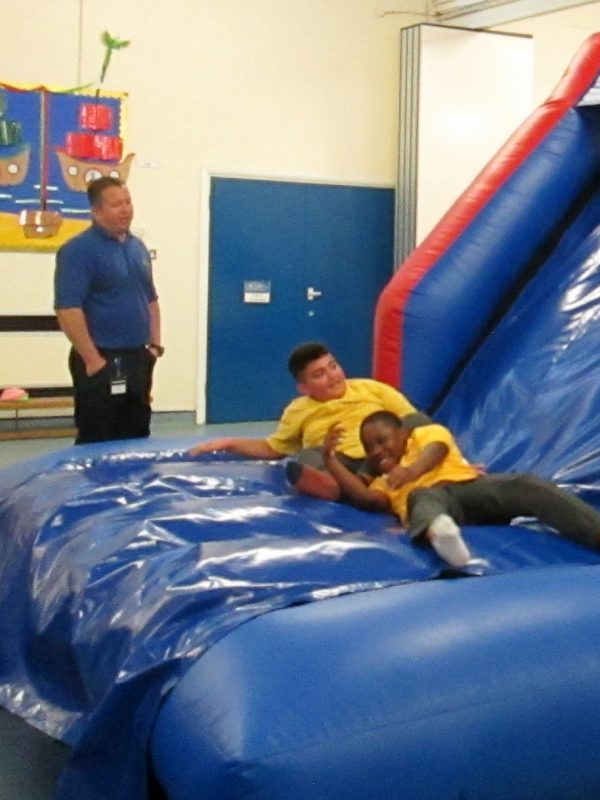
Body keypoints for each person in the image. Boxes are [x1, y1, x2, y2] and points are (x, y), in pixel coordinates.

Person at [322, 410, 600, 567]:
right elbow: (366, 499)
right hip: (437, 502)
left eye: (382, 441)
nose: (377, 451)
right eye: (370, 449)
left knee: (526, 486)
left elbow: (437, 450)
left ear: (403, 433)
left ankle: (595, 532)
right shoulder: (385, 481)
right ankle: (441, 534)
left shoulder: (424, 434)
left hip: (469, 487)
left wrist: (411, 472)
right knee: (422, 498)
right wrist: (331, 460)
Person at [189, 341, 430, 498]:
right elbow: (274, 449)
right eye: (319, 374)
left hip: (382, 452)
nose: (332, 376)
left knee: (418, 421)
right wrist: (230, 443)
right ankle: (336, 487)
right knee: (309, 455)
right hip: (338, 462)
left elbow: (408, 418)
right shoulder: (299, 410)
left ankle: (389, 477)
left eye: (333, 366)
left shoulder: (370, 388)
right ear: (304, 387)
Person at [54, 176, 163, 444]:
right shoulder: (78, 251)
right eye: (116, 205)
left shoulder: (137, 247)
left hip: (137, 358)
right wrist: (92, 360)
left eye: (128, 202)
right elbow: (68, 309)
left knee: (137, 432)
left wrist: (154, 347)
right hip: (101, 358)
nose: (125, 210)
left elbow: (150, 299)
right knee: (98, 436)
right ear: (96, 211)